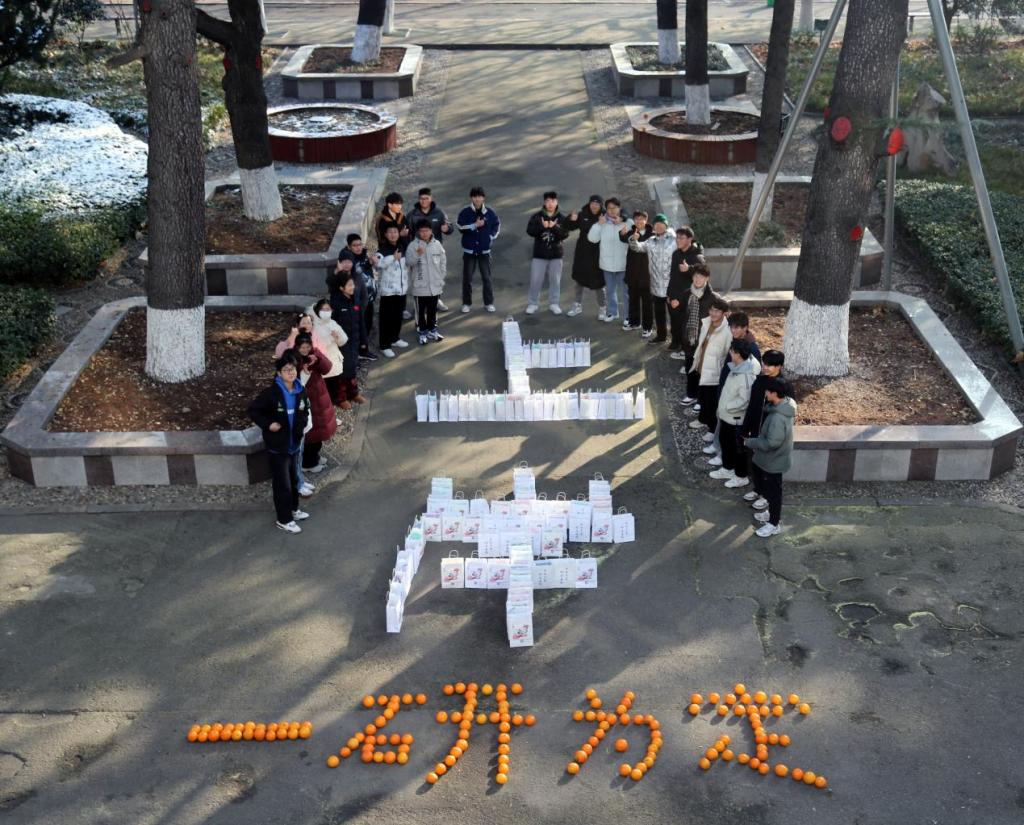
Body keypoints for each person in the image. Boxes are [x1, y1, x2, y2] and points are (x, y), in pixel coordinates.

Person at [248, 353, 311, 534]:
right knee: (282, 484)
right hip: (278, 449)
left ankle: (293, 509)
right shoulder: (271, 394)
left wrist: (302, 424)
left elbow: (305, 410)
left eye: (293, 369)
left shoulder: (300, 390)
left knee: (294, 480)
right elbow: (254, 411)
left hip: (294, 445)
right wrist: (268, 424)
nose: (291, 373)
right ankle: (284, 519)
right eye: (286, 370)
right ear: (279, 373)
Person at [705, 311, 763, 465]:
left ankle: (723, 457)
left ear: (746, 327)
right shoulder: (736, 340)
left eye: (737, 327)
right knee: (722, 424)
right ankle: (717, 447)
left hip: (736, 399)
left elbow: (751, 378)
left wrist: (730, 403)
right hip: (728, 388)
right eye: (731, 327)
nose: (733, 330)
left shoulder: (751, 348)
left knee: (731, 434)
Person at [744, 378, 796, 538]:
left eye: (767, 391)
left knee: (774, 493)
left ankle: (774, 524)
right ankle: (771, 514)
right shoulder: (786, 405)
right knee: (770, 490)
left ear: (774, 394)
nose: (765, 393)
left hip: (774, 461)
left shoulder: (778, 418)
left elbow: (772, 443)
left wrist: (749, 442)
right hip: (773, 459)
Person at [709, 339, 762, 489]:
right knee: (726, 443)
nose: (730, 353)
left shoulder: (746, 375)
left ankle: (741, 476)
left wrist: (727, 407)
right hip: (728, 416)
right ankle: (728, 468)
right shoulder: (737, 368)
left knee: (737, 449)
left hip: (735, 419)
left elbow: (744, 400)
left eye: (732, 351)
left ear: (738, 354)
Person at [740, 349, 785, 510]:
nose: (765, 367)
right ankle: (758, 490)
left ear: (779, 366)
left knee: (769, 468)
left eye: (770, 365)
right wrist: (745, 429)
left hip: (771, 435)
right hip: (756, 431)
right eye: (764, 363)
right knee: (756, 463)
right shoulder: (759, 381)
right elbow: (752, 406)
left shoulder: (783, 386)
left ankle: (766, 496)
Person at [291, 332, 336, 475]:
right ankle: (308, 463)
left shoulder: (315, 354)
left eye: (307, 347)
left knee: (319, 434)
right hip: (308, 402)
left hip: (320, 399)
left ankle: (315, 457)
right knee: (311, 436)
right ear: (297, 347)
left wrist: (318, 360)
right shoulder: (293, 360)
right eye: (302, 347)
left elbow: (327, 368)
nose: (305, 350)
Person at [687, 295, 732, 436]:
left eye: (717, 311)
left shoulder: (727, 332)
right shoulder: (706, 324)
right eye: (711, 310)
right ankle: (702, 420)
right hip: (702, 368)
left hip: (714, 373)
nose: (713, 313)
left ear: (724, 313)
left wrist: (720, 372)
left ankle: (712, 430)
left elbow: (727, 355)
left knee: (712, 403)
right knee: (703, 398)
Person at [677, 265, 721, 405]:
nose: (697, 279)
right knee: (690, 367)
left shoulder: (713, 297)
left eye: (701, 277)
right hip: (689, 338)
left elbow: (721, 317)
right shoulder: (686, 294)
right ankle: (691, 394)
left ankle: (701, 400)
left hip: (704, 339)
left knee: (703, 370)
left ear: (707, 278)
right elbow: (681, 314)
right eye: (695, 276)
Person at [629, 213, 675, 343]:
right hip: (655, 285)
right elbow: (637, 248)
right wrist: (633, 240)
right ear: (654, 226)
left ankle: (676, 341)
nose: (659, 227)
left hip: (671, 286)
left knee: (675, 315)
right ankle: (661, 336)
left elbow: (687, 246)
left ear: (666, 225)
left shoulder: (674, 240)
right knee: (659, 314)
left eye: (661, 224)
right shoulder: (650, 241)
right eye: (656, 225)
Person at [586, 197, 633, 324]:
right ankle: (612, 311)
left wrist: (624, 225)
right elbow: (592, 238)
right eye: (609, 208)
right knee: (610, 290)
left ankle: (628, 315)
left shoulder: (628, 222)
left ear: (619, 208)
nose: (612, 210)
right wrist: (598, 225)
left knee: (626, 292)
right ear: (606, 209)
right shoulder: (602, 222)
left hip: (623, 263)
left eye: (614, 208)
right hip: (606, 263)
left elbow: (635, 238)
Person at [326, 270, 366, 409]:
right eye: (349, 285)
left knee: (352, 367)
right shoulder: (335, 303)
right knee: (342, 370)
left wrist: (363, 340)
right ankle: (341, 398)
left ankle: (353, 393)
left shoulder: (355, 300)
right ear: (341, 288)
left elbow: (361, 321)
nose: (352, 287)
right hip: (341, 343)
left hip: (354, 341)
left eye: (352, 284)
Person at [525, 190, 570, 315]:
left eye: (553, 201)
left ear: (557, 202)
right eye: (548, 201)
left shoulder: (562, 218)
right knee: (535, 280)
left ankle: (554, 303)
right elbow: (530, 231)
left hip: (556, 254)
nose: (550, 204)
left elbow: (565, 234)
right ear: (544, 203)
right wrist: (542, 227)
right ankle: (533, 303)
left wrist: (553, 227)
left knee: (555, 280)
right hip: (539, 254)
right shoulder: (537, 216)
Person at [456, 186, 500, 312]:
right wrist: (474, 225)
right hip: (469, 251)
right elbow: (460, 226)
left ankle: (489, 303)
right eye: (475, 196)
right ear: (471, 198)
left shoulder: (490, 213)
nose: (477, 199)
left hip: (484, 251)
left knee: (486, 278)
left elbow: (496, 226)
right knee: (467, 278)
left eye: (479, 196)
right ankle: (466, 303)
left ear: (483, 198)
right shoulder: (465, 212)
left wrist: (490, 237)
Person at [563, 195, 607, 318]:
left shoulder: (605, 216)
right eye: (592, 203)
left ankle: (603, 308)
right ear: (589, 204)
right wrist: (571, 219)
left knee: (599, 283)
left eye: (597, 204)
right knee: (579, 280)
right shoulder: (582, 214)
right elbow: (567, 226)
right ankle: (577, 305)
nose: (594, 206)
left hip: (598, 253)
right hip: (582, 252)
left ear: (601, 206)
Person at [666, 227, 706, 356]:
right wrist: (669, 294)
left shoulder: (697, 256)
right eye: (677, 237)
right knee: (674, 320)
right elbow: (673, 276)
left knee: (686, 324)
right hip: (674, 294)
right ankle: (675, 342)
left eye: (681, 238)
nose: (678, 240)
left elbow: (703, 274)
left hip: (688, 297)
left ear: (690, 239)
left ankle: (686, 349)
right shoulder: (676, 254)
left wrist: (689, 269)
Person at [411, 187, 453, 312]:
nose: (424, 201)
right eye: (421, 198)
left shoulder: (439, 213)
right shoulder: (412, 214)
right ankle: (421, 304)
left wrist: (447, 229)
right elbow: (407, 233)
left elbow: (449, 227)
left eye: (426, 198)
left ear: (431, 198)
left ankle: (437, 300)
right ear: (418, 199)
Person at [338, 234, 378, 362]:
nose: (358, 247)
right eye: (355, 245)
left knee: (367, 323)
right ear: (349, 247)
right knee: (359, 326)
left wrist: (370, 262)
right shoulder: (348, 259)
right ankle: (358, 352)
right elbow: (355, 272)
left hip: (369, 298)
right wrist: (368, 263)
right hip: (357, 300)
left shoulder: (364, 255)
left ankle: (363, 350)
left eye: (360, 244)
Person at [376, 192, 414, 321]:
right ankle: (389, 309)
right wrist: (399, 234)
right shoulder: (382, 220)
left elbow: (408, 231)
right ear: (389, 204)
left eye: (400, 204)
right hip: (388, 253)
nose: (400, 207)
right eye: (397, 204)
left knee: (402, 280)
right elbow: (382, 238)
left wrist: (404, 237)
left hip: (402, 250)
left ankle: (402, 309)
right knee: (389, 282)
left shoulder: (401, 216)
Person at [374, 224, 410, 358]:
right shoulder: (382, 250)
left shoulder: (402, 246)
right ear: (385, 234)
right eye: (390, 232)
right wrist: (393, 258)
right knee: (386, 318)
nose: (393, 234)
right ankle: (384, 345)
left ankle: (395, 338)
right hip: (388, 291)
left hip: (401, 289)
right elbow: (378, 265)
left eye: (395, 232)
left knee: (397, 316)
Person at [409, 220, 447, 345]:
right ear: (418, 232)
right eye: (422, 231)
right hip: (420, 286)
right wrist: (417, 255)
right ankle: (422, 332)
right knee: (420, 311)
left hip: (435, 285)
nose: (424, 233)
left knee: (433, 309)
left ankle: (432, 330)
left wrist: (441, 276)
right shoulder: (413, 245)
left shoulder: (437, 244)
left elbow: (443, 261)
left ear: (431, 231)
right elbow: (409, 262)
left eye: (427, 230)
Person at [310, 298, 348, 410]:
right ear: (318, 311)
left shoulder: (333, 323)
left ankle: (340, 399)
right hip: (321, 357)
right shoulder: (313, 324)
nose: (327, 312)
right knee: (323, 383)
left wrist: (337, 337)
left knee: (337, 380)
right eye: (324, 309)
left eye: (328, 309)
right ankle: (326, 402)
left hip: (334, 356)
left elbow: (343, 340)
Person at [623, 210, 654, 334]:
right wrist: (632, 237)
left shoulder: (653, 234)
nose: (639, 221)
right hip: (632, 273)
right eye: (636, 219)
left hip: (647, 274)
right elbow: (623, 237)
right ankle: (634, 323)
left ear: (646, 220)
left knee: (647, 303)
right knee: (633, 300)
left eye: (641, 219)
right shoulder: (631, 232)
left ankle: (648, 327)